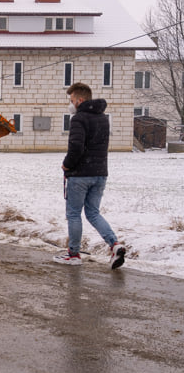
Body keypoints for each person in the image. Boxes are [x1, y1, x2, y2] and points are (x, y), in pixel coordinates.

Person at [53, 82, 126, 269]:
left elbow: (76, 147)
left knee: (74, 214)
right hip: (100, 173)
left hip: (80, 174)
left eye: (71, 100)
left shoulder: (78, 119)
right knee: (93, 213)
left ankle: (74, 254)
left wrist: (66, 165)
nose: (70, 104)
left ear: (80, 100)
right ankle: (114, 244)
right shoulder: (103, 118)